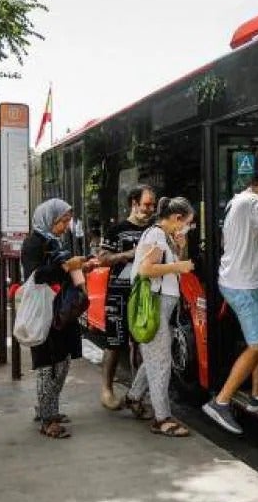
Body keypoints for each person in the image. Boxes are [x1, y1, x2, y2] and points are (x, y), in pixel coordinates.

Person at [203, 173, 258, 435]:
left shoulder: (234, 202)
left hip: (239, 280)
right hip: (245, 286)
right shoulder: (254, 201)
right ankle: (221, 402)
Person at [21, 199, 96, 439]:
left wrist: (81, 266)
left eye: (67, 221)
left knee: (62, 362)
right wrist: (66, 267)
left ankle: (49, 407)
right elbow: (37, 276)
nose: (65, 226)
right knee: (48, 366)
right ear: (48, 219)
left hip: (62, 310)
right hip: (46, 312)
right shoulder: (34, 242)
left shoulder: (54, 241)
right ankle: (47, 419)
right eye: (61, 221)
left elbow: (62, 269)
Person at [124, 197, 196, 438]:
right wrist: (179, 267)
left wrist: (181, 246)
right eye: (187, 223)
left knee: (155, 357)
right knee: (161, 362)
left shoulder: (164, 235)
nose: (187, 227)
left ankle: (134, 397)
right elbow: (146, 269)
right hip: (154, 306)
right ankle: (162, 418)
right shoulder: (155, 235)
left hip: (162, 307)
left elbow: (174, 261)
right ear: (177, 218)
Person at [95, 185, 157, 410]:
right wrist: (128, 255)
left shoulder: (154, 230)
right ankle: (107, 390)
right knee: (114, 343)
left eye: (152, 205)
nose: (150, 209)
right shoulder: (116, 230)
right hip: (119, 295)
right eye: (146, 204)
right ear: (134, 203)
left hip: (144, 296)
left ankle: (137, 395)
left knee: (143, 344)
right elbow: (102, 259)